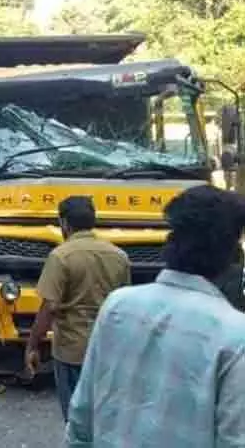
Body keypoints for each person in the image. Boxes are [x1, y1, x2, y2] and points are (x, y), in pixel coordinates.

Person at [66, 185, 245, 447]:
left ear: (171, 242)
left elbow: (81, 417)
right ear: (231, 254)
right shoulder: (235, 335)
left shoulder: (117, 306)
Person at [25, 196, 131, 423]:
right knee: (103, 418)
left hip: (72, 351)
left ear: (64, 224)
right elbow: (124, 305)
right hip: (107, 349)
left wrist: (33, 345)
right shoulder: (119, 256)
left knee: (75, 419)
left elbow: (49, 307)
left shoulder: (61, 256)